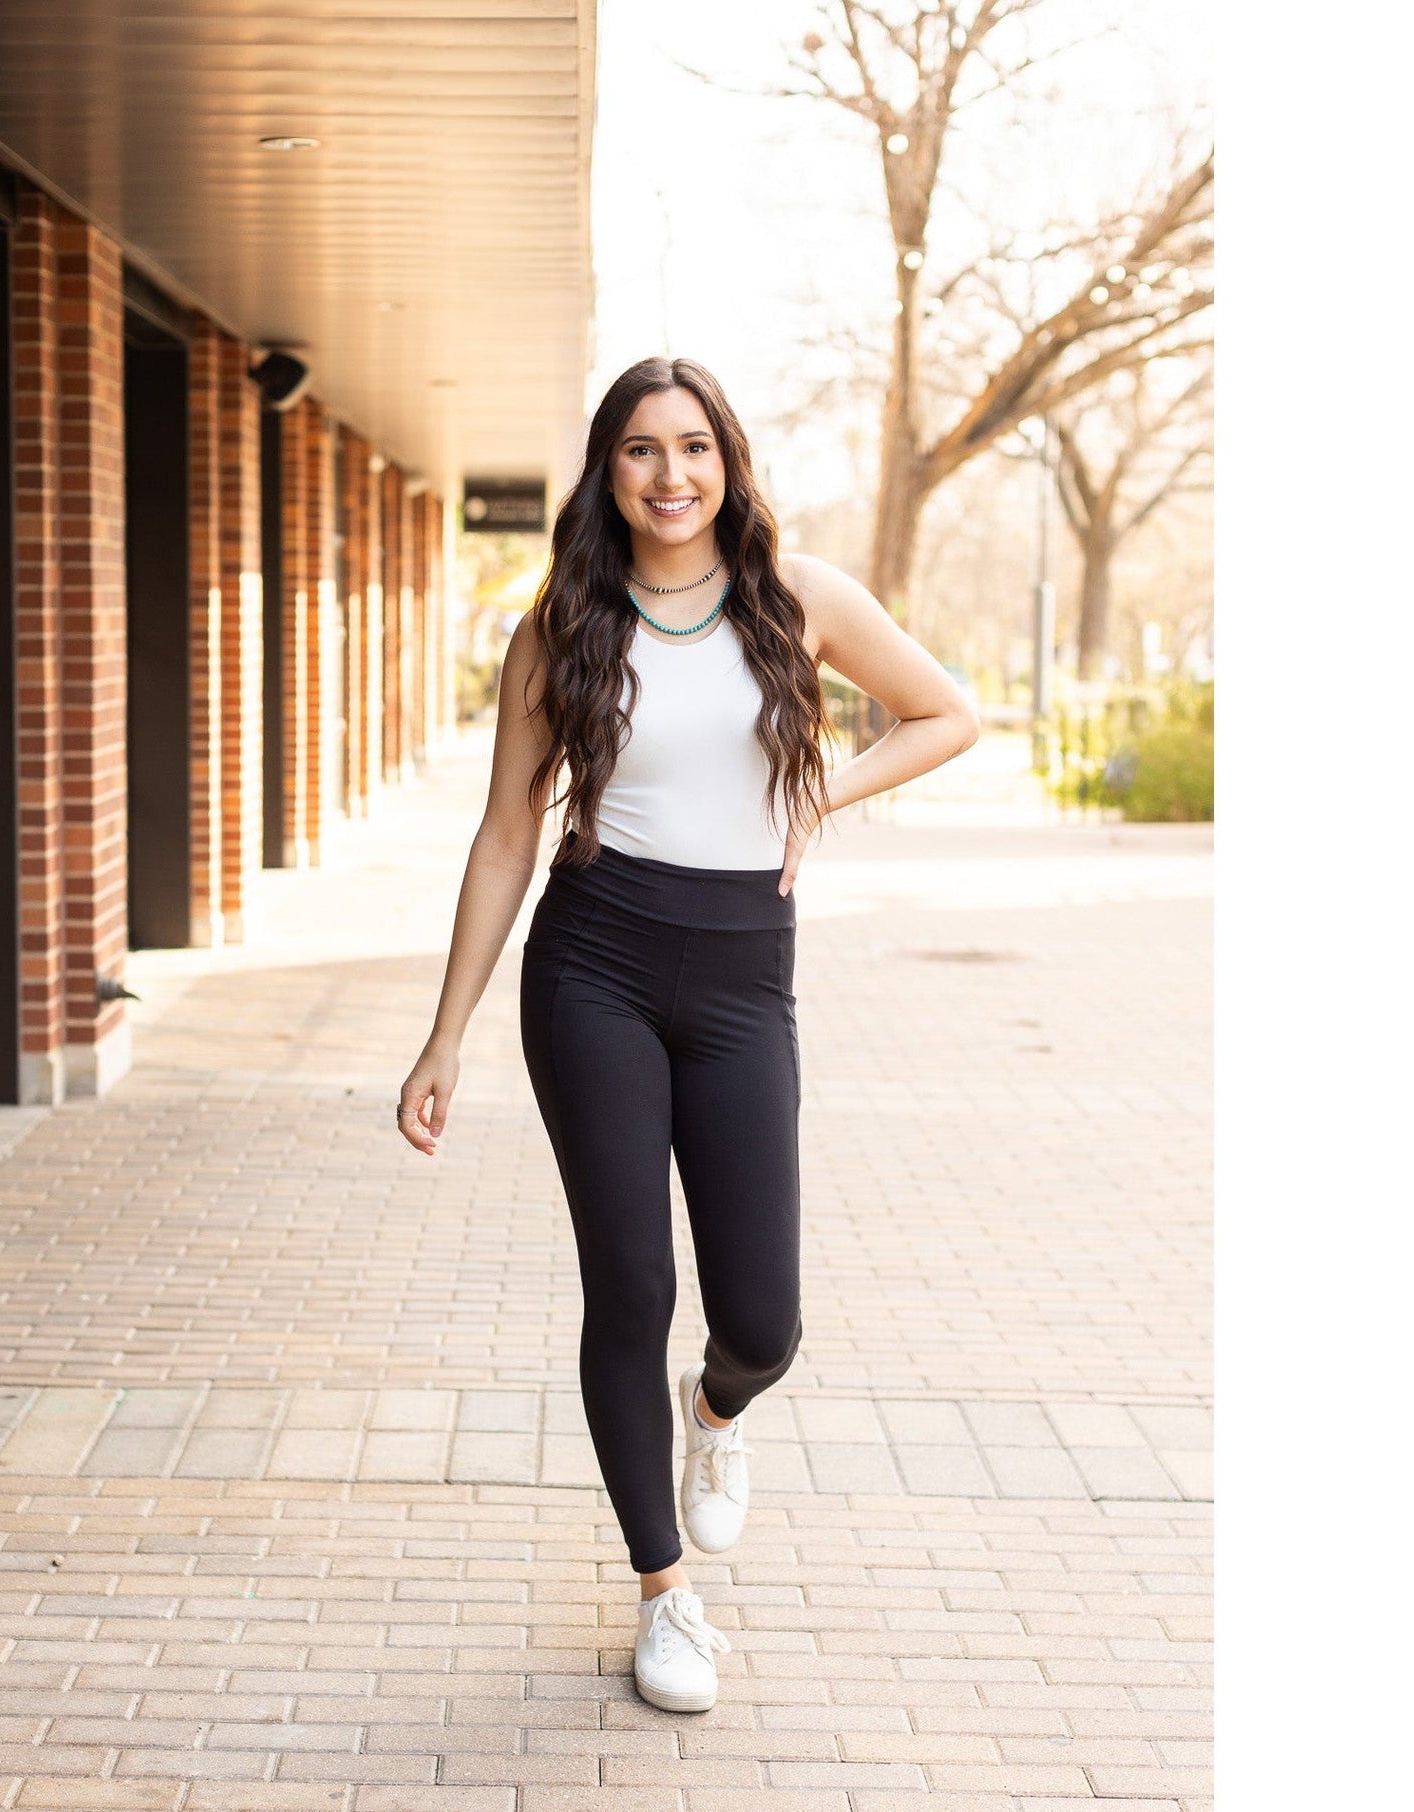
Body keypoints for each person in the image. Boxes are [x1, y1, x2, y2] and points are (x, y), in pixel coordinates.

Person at [394, 355, 979, 1713]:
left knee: (762, 1319)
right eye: (642, 450)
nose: (671, 475)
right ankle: (664, 1595)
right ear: (608, 470)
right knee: (632, 1287)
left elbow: (947, 712)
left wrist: (823, 794)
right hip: (591, 965)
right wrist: (444, 1035)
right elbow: (504, 835)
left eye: (695, 447)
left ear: (729, 461)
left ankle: (713, 1412)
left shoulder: (796, 598)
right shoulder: (561, 623)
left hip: (741, 982)